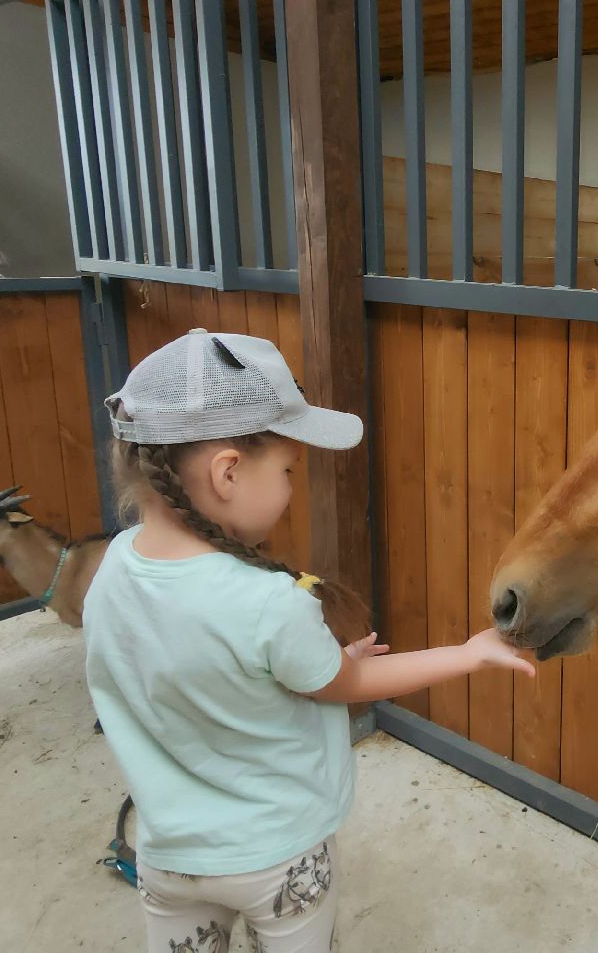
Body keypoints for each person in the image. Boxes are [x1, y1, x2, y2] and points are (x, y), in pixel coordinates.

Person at [84, 327, 533, 953]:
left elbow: (199, 668)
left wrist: (318, 663)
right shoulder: (269, 602)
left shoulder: (115, 568)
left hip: (169, 856)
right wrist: (468, 651)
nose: (293, 489)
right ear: (228, 472)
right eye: (288, 469)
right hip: (276, 859)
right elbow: (348, 687)